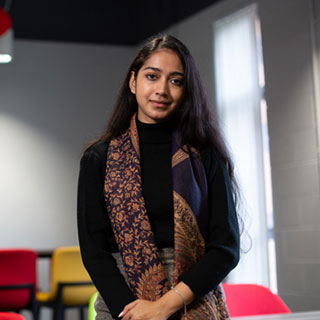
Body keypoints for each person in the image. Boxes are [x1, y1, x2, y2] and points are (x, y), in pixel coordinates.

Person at [77, 34, 240, 320]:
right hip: (124, 303)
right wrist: (132, 312)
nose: (162, 89)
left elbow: (225, 247)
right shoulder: (98, 159)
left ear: (186, 90)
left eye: (176, 80)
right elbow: (94, 251)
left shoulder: (205, 156)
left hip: (194, 297)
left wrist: (165, 306)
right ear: (133, 82)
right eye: (152, 76)